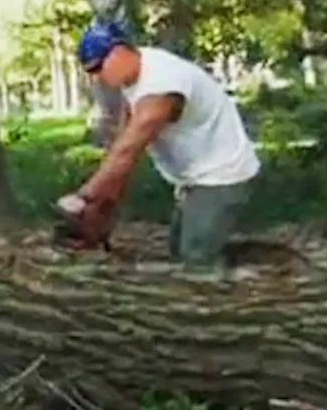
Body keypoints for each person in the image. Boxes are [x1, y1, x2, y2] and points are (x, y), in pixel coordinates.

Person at [56, 22, 261, 271]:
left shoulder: (162, 86)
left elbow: (128, 150)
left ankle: (233, 298)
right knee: (179, 252)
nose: (98, 77)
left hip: (222, 176)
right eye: (91, 72)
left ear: (119, 51)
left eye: (99, 67)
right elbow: (122, 149)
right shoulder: (134, 80)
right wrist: (103, 210)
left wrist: (84, 196)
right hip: (194, 179)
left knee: (196, 259)